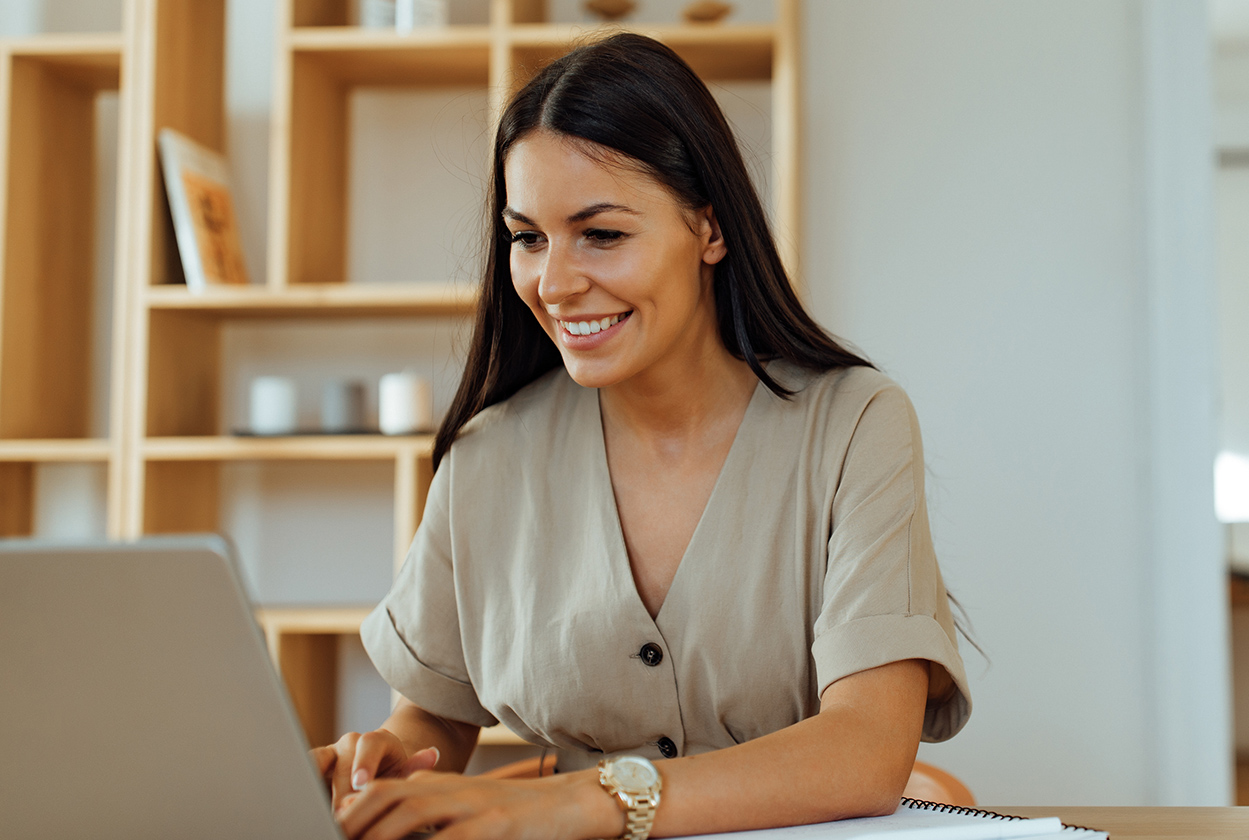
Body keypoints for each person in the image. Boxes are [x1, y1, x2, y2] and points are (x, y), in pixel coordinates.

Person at [313, 32, 971, 840]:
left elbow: (865, 752)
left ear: (711, 231)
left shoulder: (855, 424)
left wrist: (584, 801)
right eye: (528, 237)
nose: (553, 283)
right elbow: (436, 722)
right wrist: (382, 766)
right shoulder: (487, 456)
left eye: (602, 234)